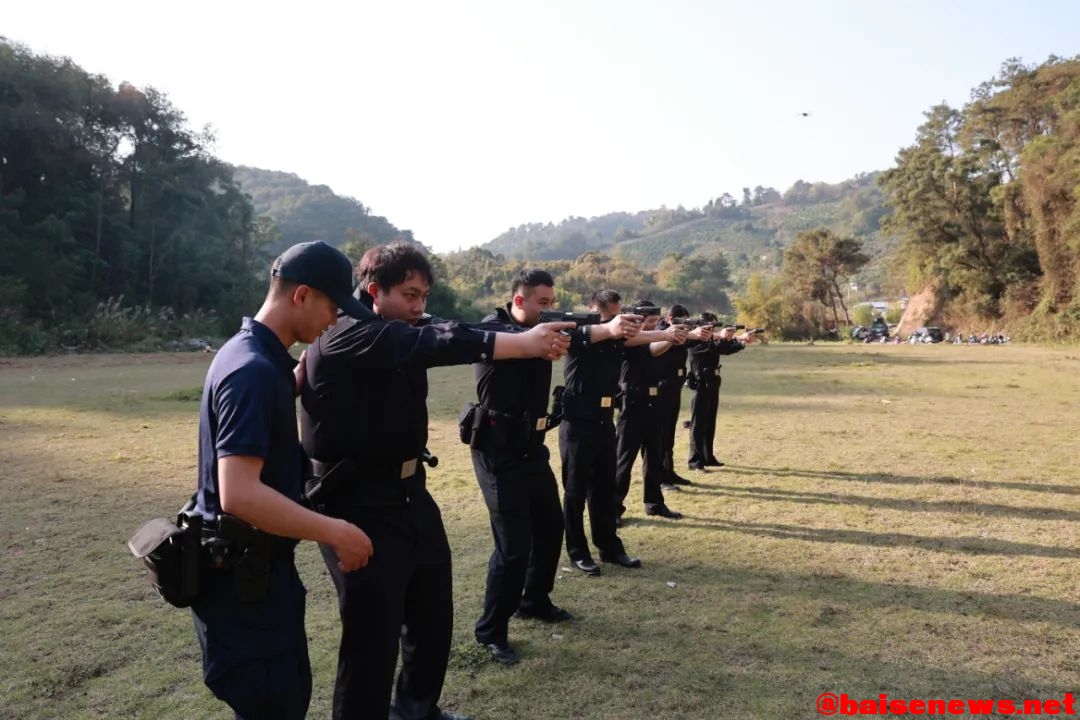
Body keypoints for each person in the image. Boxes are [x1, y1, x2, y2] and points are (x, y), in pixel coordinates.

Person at [300, 243, 572, 719]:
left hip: (409, 492)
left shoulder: (403, 326)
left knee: (431, 613)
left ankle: (416, 710)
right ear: (373, 291)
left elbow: (447, 329)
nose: (419, 306)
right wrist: (523, 344)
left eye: (424, 295)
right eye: (409, 294)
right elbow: (436, 342)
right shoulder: (350, 334)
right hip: (356, 501)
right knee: (373, 632)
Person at [191, 240, 376, 720]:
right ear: (302, 296)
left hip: (260, 578)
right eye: (333, 307)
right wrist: (336, 531)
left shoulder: (257, 358)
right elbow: (240, 494)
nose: (334, 320)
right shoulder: (251, 371)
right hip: (243, 592)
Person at [469, 269, 578, 666]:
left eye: (551, 303)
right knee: (513, 546)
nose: (548, 311)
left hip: (532, 449)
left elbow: (583, 337)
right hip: (498, 451)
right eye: (542, 303)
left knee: (551, 525)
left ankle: (534, 600)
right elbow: (515, 345)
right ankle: (491, 631)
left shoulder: (546, 332)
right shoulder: (493, 329)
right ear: (519, 301)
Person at [557, 290, 645, 576]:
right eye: (611, 315)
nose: (616, 322)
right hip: (577, 422)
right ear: (594, 309)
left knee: (605, 489)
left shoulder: (615, 338)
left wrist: (670, 335)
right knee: (575, 491)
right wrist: (608, 327)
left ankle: (610, 547)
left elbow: (641, 339)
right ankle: (578, 552)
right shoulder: (577, 331)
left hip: (605, 421)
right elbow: (588, 334)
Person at [614, 300, 688, 524]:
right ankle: (614, 508)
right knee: (624, 460)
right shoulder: (628, 337)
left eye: (656, 322)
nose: (654, 326)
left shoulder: (655, 336)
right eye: (649, 322)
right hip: (633, 402)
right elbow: (652, 347)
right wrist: (668, 337)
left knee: (654, 457)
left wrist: (671, 338)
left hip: (655, 402)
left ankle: (654, 503)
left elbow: (658, 347)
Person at [654, 305, 713, 488]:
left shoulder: (679, 333)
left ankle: (669, 473)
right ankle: (661, 477)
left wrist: (701, 334)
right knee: (661, 437)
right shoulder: (660, 331)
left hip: (673, 388)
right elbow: (677, 338)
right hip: (662, 389)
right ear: (671, 318)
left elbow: (691, 340)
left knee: (669, 435)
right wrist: (692, 334)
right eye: (681, 320)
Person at [686, 314, 753, 470]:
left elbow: (725, 349)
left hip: (712, 381)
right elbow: (715, 346)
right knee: (698, 424)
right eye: (708, 327)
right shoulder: (695, 341)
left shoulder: (709, 340)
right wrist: (728, 337)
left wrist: (741, 341)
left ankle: (708, 456)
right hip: (701, 383)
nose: (712, 330)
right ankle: (695, 460)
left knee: (709, 421)